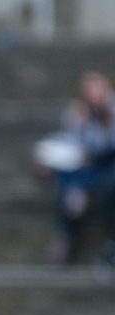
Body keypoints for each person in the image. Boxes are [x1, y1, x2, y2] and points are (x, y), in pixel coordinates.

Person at [44, 72, 115, 267]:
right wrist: (80, 125)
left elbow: (106, 145)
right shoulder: (77, 113)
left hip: (108, 165)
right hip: (86, 167)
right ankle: (65, 238)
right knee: (67, 178)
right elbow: (74, 147)